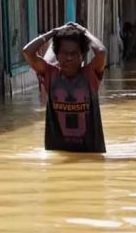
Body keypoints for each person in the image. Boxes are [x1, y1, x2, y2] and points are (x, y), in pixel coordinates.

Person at [22, 22, 107, 153]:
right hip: (57, 152)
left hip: (89, 152)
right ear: (56, 55)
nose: (69, 58)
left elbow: (101, 52)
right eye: (64, 53)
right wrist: (53, 32)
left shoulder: (90, 75)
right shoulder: (50, 75)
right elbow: (27, 52)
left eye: (74, 54)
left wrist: (84, 32)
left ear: (82, 56)